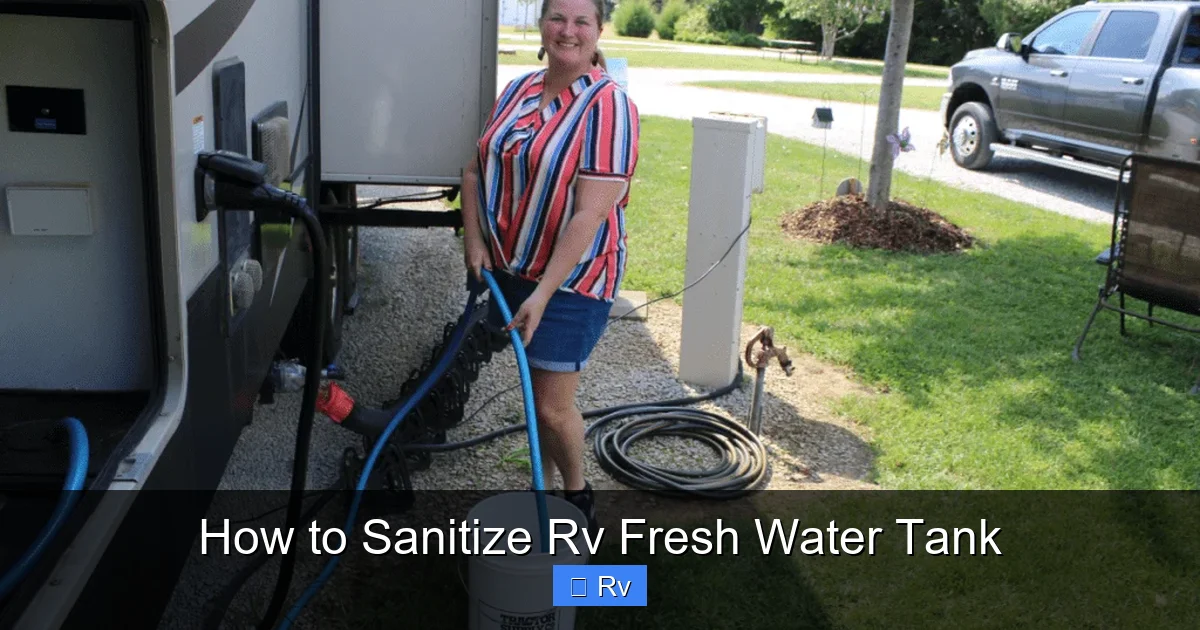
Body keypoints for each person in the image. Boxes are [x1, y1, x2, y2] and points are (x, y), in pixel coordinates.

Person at [459, 0, 639, 528]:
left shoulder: (610, 107)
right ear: (541, 26)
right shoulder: (518, 90)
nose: (568, 30)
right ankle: (553, 499)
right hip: (507, 272)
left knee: (551, 407)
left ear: (598, 30)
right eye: (557, 18)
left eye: (582, 21)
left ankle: (575, 498)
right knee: (536, 397)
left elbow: (588, 215)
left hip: (572, 281)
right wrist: (474, 240)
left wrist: (541, 294)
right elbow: (473, 171)